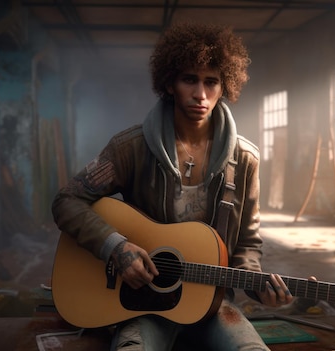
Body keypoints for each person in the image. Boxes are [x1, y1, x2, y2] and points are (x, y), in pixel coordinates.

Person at [52, 21, 294, 351]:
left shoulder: (245, 160)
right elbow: (67, 201)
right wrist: (116, 248)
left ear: (225, 87)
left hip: (213, 304)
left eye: (212, 82)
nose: (200, 94)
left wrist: (259, 286)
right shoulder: (130, 148)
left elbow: (248, 244)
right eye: (189, 79)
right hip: (143, 303)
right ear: (169, 83)